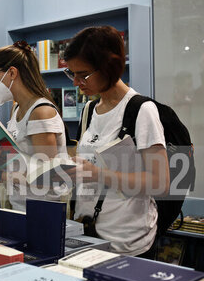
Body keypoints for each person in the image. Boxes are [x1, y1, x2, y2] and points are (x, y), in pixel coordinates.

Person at [62, 26, 170, 256]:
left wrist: (99, 174)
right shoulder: (89, 110)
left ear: (109, 67)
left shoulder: (141, 110)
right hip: (88, 235)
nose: (76, 83)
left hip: (128, 243)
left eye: (83, 75)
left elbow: (160, 182)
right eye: (72, 74)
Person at [0, 40, 68, 212]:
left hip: (42, 212)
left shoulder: (40, 112)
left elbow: (48, 178)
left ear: (12, 73)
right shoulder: (17, 109)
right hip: (20, 207)